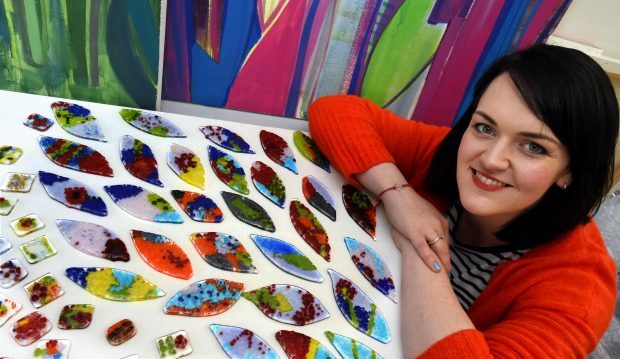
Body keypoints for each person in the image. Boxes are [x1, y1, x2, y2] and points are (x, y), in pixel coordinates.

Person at [308, 44, 619, 358]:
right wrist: (400, 197)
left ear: (571, 171)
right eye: (485, 127)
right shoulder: (449, 152)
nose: (492, 159)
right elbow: (334, 112)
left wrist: (418, 244)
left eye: (533, 147)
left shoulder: (579, 290)